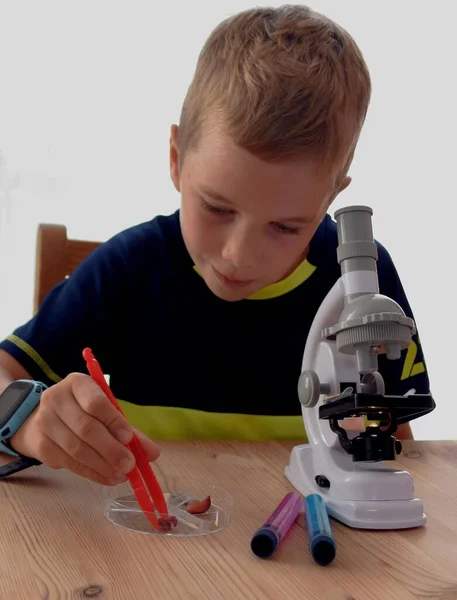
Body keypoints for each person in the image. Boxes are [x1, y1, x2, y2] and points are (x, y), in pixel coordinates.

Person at [0, 5, 430, 487]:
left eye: (286, 227)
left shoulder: (361, 283)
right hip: (151, 547)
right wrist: (24, 420)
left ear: (332, 197)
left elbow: (401, 443)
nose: (238, 256)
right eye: (218, 209)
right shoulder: (129, 271)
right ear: (176, 159)